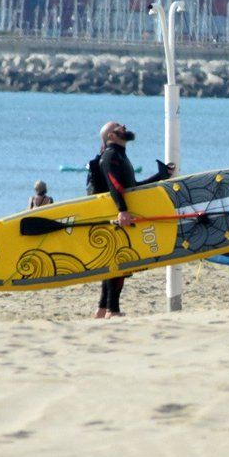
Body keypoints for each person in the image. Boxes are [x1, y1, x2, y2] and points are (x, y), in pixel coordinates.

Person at [91, 121, 176, 318]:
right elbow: (114, 185)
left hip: (119, 213)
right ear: (111, 136)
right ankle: (113, 310)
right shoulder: (111, 155)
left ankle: (103, 309)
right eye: (118, 127)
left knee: (116, 261)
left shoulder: (119, 155)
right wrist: (122, 210)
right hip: (116, 215)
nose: (124, 126)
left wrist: (160, 176)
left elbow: (132, 188)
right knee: (119, 263)